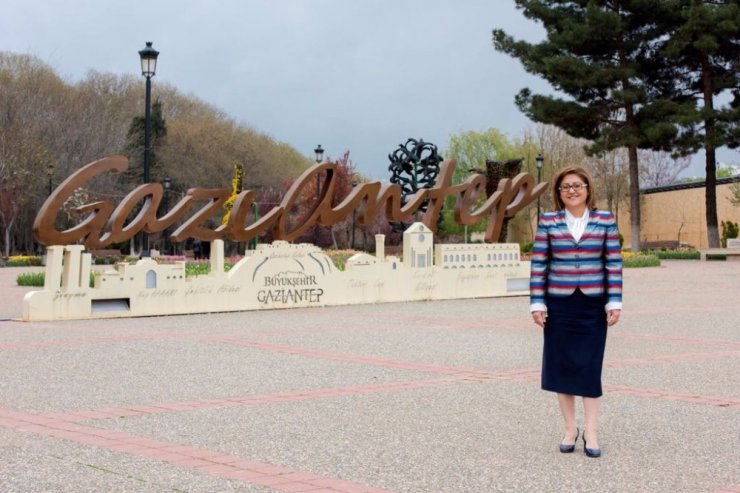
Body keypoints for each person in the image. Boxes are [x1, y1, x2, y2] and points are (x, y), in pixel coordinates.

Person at [529, 166, 623, 458]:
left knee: (589, 367)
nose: (572, 190)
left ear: (587, 189)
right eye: (565, 187)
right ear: (559, 193)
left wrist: (614, 301)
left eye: (577, 185)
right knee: (563, 367)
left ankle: (591, 432)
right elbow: (539, 263)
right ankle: (570, 429)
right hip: (559, 305)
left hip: (593, 305)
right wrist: (537, 302)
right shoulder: (548, 221)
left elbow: (613, 262)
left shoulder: (605, 219)